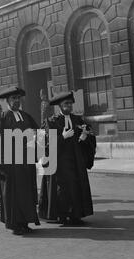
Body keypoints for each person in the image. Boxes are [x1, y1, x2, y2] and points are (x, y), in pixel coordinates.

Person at [38, 91, 96, 226]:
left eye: (70, 103)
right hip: (59, 163)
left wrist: (84, 137)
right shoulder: (51, 122)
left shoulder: (78, 120)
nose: (69, 106)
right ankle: (62, 216)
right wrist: (62, 137)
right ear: (59, 106)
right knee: (62, 190)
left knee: (76, 188)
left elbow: (89, 136)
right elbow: (44, 145)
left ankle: (75, 216)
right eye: (66, 104)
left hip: (76, 162)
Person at [0, 87, 40, 235]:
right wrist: (1, 166)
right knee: (13, 195)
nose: (16, 101)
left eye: (18, 98)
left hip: (26, 162)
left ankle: (25, 222)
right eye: (13, 99)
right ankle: (15, 225)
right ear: (7, 102)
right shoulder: (2, 118)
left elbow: (37, 133)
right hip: (10, 164)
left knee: (26, 193)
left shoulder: (26, 116)